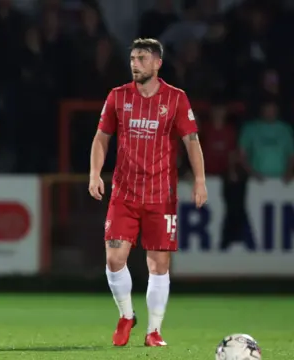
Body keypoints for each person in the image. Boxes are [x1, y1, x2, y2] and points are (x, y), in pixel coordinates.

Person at [88, 38, 207, 347]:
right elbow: (102, 137)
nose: (135, 63)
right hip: (124, 193)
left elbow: (191, 141)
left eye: (141, 58)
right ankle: (127, 315)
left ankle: (154, 331)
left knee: (159, 265)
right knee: (114, 259)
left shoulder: (176, 99)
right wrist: (94, 174)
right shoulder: (117, 97)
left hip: (161, 195)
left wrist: (200, 181)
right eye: (132, 58)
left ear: (157, 63)